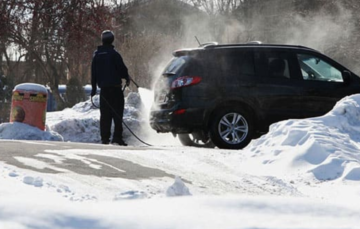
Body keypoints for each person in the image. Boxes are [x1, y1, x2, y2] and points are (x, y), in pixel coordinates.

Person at [91, 30, 130, 146]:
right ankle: (117, 138)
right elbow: (122, 70)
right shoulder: (114, 54)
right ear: (112, 40)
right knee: (117, 114)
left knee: (105, 115)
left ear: (102, 40)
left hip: (104, 91)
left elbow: (93, 74)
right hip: (116, 90)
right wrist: (127, 77)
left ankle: (105, 138)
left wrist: (93, 90)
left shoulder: (97, 55)